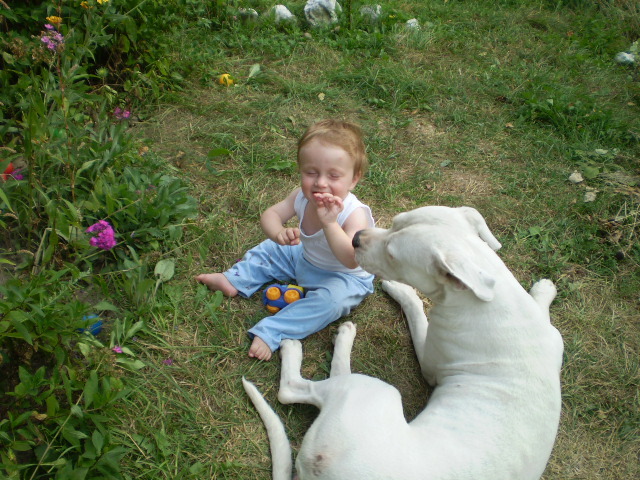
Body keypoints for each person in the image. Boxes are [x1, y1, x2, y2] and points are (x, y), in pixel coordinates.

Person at [196, 119, 375, 360]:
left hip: (343, 278)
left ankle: (273, 331)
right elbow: (270, 214)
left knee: (330, 304)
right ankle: (234, 279)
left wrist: (330, 223)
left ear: (353, 179)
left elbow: (351, 260)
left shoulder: (353, 213)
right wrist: (278, 233)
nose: (321, 182)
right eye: (311, 172)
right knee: (269, 249)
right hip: (304, 258)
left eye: (334, 176)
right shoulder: (300, 196)